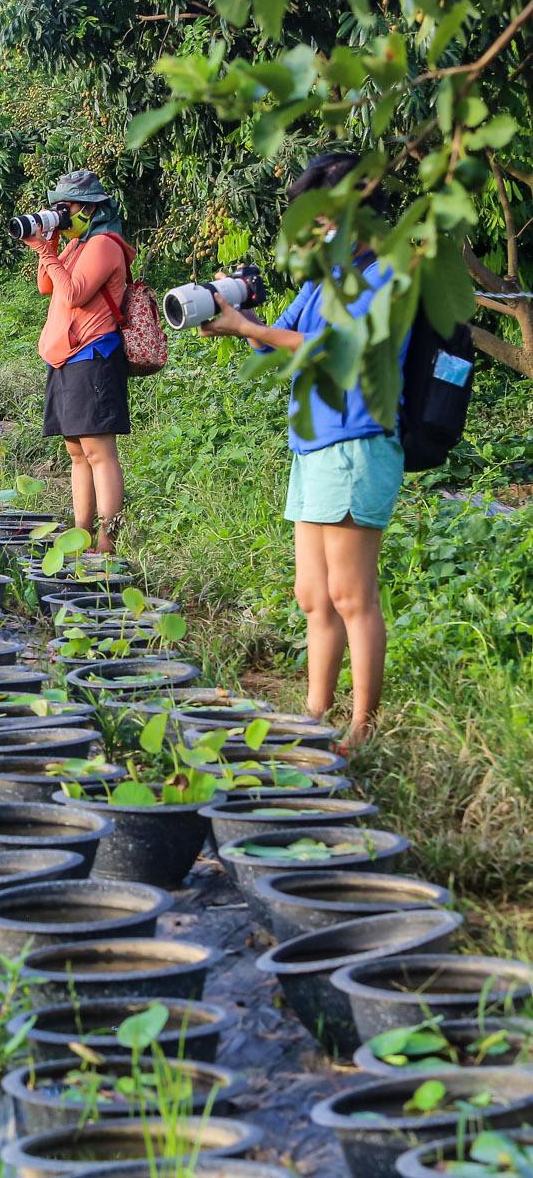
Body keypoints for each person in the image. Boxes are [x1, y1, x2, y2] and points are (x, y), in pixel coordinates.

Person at [201, 152, 398, 748]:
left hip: (357, 444)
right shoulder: (322, 282)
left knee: (351, 595)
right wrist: (235, 314)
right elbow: (277, 346)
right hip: (313, 448)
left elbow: (333, 350)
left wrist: (254, 330)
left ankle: (361, 727)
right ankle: (315, 716)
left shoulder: (387, 275)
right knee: (313, 595)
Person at [22, 170, 134, 553]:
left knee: (99, 452)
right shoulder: (76, 246)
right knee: (76, 451)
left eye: (64, 208)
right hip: (66, 357)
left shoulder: (104, 245)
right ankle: (82, 534)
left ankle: (107, 541)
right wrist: (50, 245)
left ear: (87, 208)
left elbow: (73, 294)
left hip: (93, 356)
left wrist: (46, 252)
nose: (60, 214)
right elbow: (46, 286)